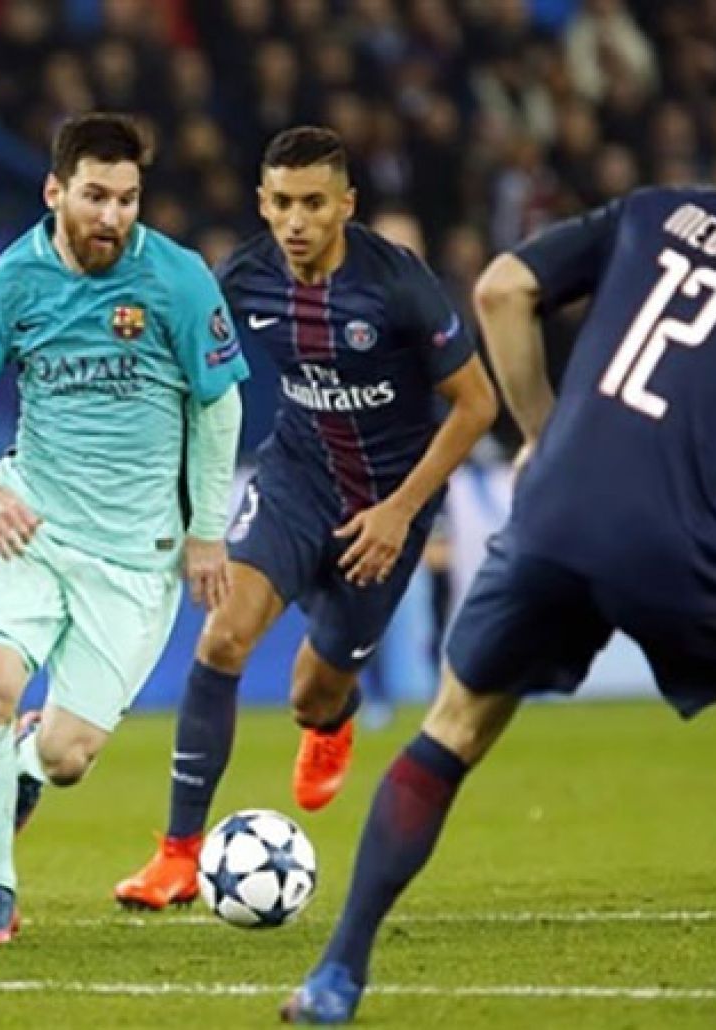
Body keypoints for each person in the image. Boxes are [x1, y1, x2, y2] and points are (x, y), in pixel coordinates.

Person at [281, 61, 716, 1023]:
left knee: (455, 724)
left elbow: (501, 289)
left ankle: (334, 979)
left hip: (553, 511)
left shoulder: (661, 207)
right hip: (674, 527)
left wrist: (540, 434)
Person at [114, 126, 496, 910]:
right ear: (262, 202)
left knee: (311, 694)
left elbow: (476, 405)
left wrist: (401, 511)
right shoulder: (245, 277)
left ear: (346, 205)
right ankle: (179, 855)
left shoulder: (399, 285)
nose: (296, 220)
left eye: (314, 204)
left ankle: (332, 718)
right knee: (222, 637)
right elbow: (183, 367)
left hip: (388, 503)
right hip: (296, 477)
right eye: (283, 203)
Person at [0, 112, 248, 945]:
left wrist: (206, 531)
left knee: (68, 757)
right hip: (30, 526)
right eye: (96, 196)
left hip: (137, 553)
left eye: (128, 199)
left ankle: (30, 762)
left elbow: (220, 409)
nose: (113, 215)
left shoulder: (177, 280)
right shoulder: (11, 283)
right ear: (56, 192)